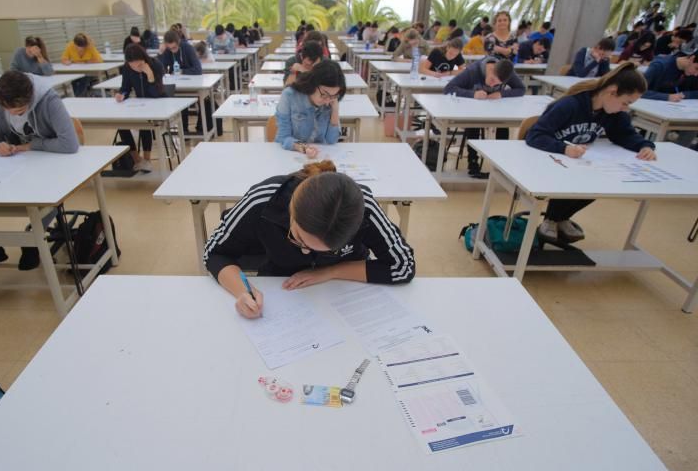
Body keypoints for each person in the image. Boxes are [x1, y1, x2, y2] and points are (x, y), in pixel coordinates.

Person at [203, 160, 415, 318]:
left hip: (344, 291)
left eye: (330, 250)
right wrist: (243, 292)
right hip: (281, 288)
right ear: (291, 210)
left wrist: (331, 271)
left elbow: (403, 266)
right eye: (297, 239)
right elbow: (214, 252)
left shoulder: (363, 207)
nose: (306, 251)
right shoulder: (264, 200)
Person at [0, 70, 79, 273]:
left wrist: (32, 145)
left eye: (20, 110)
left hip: (48, 159)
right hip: (11, 161)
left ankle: (33, 238)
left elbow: (69, 144)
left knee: (56, 190)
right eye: (9, 110)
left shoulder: (48, 99)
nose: (14, 115)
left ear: (31, 99)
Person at [525, 63, 655, 243]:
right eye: (625, 102)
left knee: (600, 183)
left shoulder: (613, 113)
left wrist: (644, 146)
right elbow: (535, 135)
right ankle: (553, 218)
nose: (626, 108)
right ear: (612, 91)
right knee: (571, 179)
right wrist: (564, 148)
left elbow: (624, 134)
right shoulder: (570, 105)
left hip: (576, 160)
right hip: (547, 159)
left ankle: (559, 218)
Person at [443, 57, 525, 178]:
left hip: (495, 109)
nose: (492, 84)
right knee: (474, 123)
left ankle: (501, 163)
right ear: (491, 69)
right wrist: (472, 94)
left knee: (503, 124)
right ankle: (473, 162)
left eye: (497, 84)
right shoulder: (473, 71)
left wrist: (502, 93)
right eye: (492, 79)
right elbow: (448, 89)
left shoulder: (507, 73)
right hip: (473, 110)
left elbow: (521, 89)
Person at [275, 60, 346, 158]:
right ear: (313, 84)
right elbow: (283, 137)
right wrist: (303, 148)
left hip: (319, 157)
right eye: (324, 95)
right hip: (291, 155)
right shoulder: (289, 96)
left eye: (333, 96)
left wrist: (335, 110)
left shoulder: (331, 101)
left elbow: (331, 140)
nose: (327, 101)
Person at [113, 44, 165, 172]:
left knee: (144, 124)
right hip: (139, 104)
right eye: (133, 65)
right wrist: (122, 95)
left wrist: (150, 76)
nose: (136, 68)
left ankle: (147, 160)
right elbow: (125, 87)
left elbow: (156, 94)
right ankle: (137, 159)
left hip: (158, 103)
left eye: (139, 64)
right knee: (121, 124)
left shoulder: (156, 65)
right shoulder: (127, 68)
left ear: (144, 59)